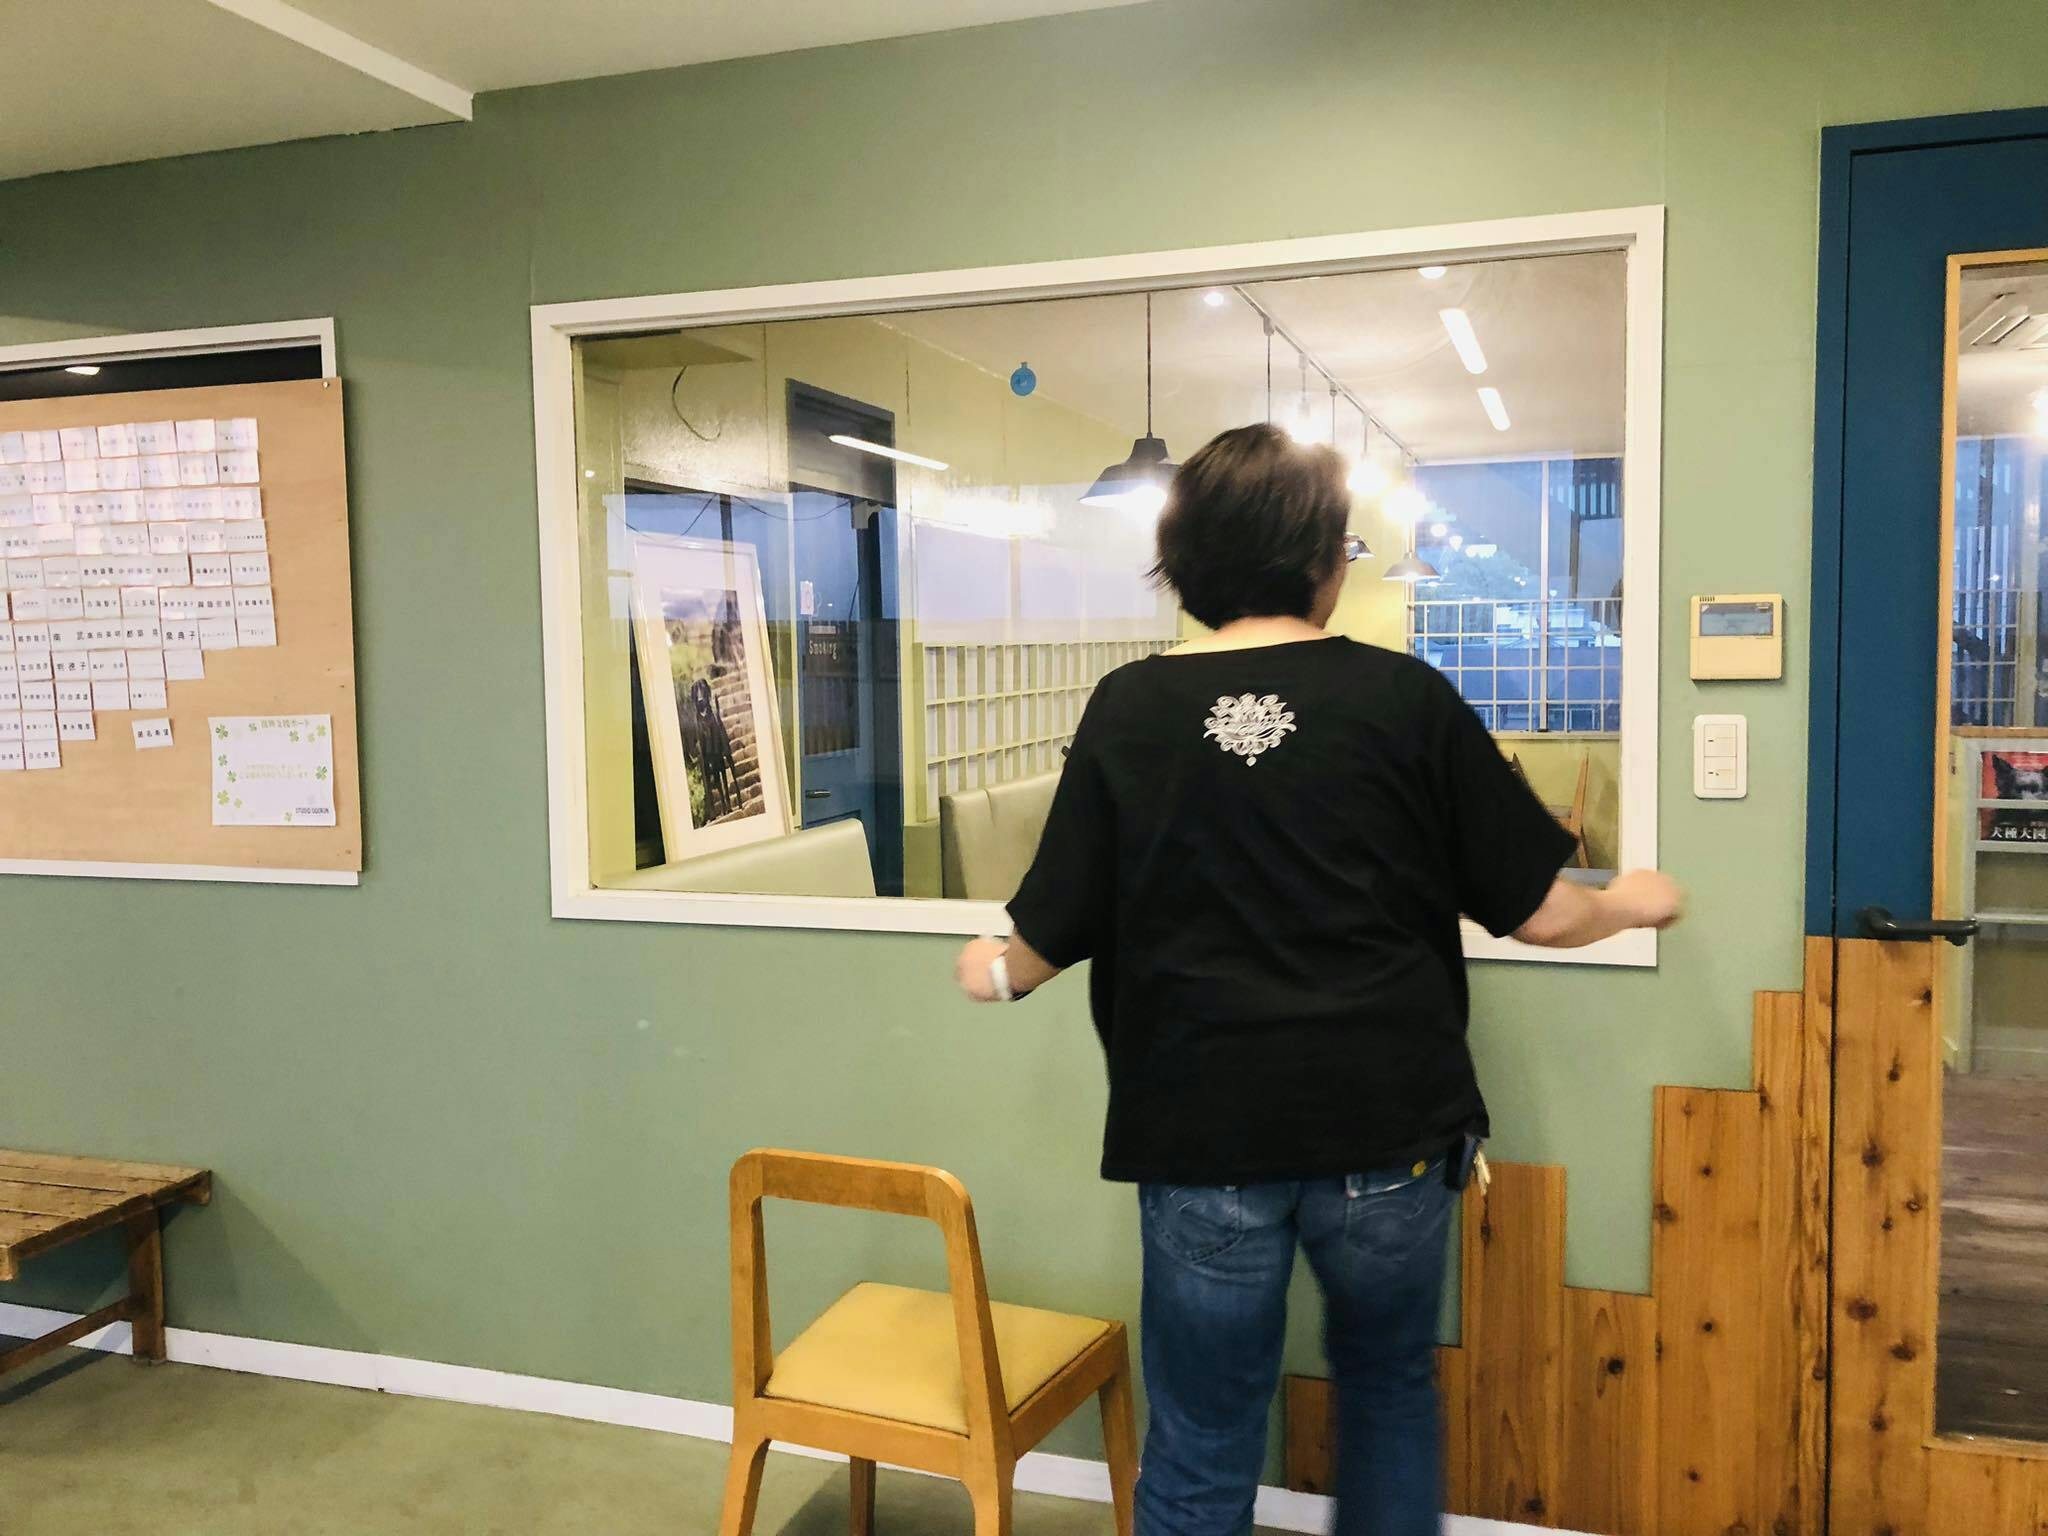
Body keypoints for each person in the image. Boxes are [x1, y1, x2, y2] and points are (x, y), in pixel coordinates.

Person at [953, 423, 1682, 1536]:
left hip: (1199, 1136)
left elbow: (1054, 929)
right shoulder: (1404, 698)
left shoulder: (1127, 707)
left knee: (1201, 1438)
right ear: (1320, 559)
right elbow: (1541, 911)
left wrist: (992, 971)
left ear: (1185, 562)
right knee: (1386, 1397)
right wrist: (1631, 900)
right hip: (1386, 1129)